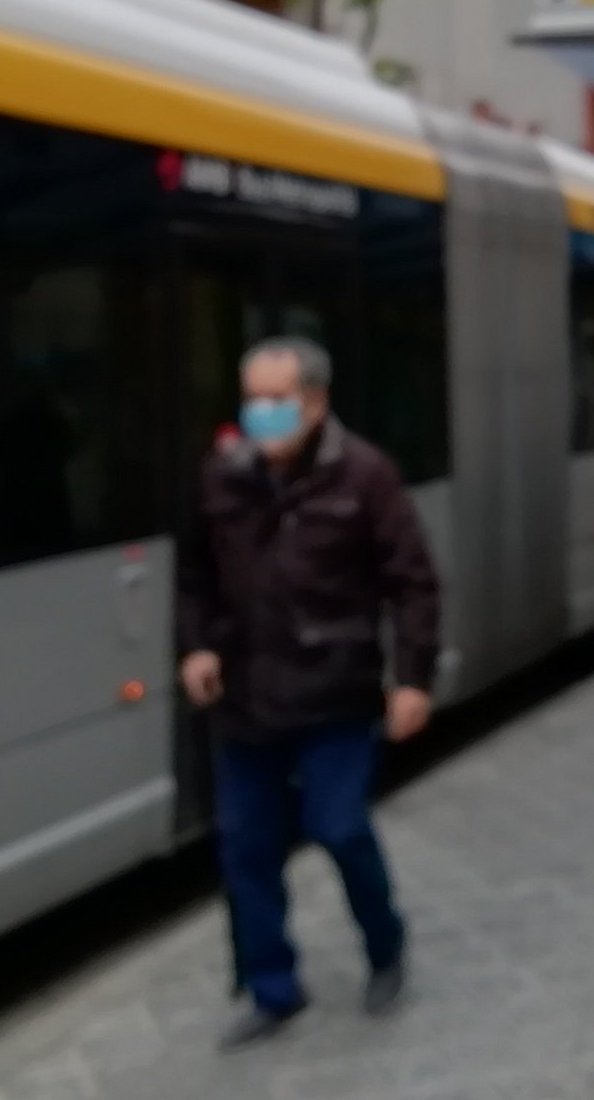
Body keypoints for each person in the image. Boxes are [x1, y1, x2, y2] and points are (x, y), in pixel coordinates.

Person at [179, 337, 441, 1050]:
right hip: (247, 697)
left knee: (339, 827)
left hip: (336, 692)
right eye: (252, 399)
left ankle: (385, 946)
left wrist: (412, 679)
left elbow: (412, 583)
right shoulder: (221, 476)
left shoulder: (365, 476)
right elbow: (195, 575)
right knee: (246, 847)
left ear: (316, 402)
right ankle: (272, 988)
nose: (261, 413)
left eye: (277, 399)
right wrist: (198, 645)